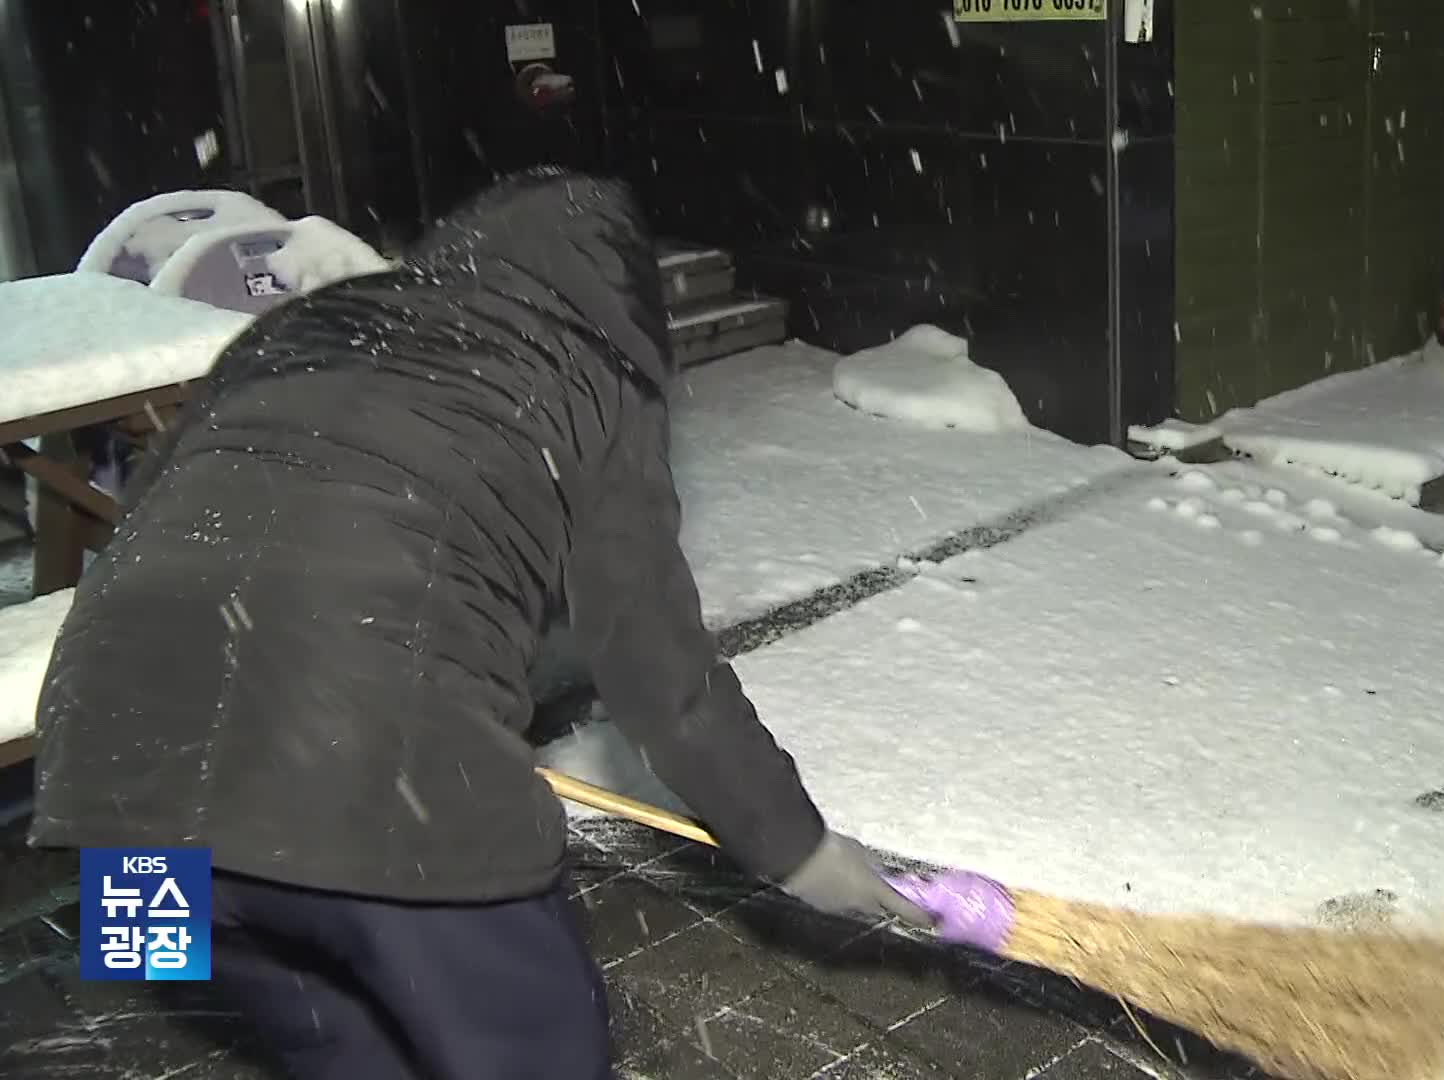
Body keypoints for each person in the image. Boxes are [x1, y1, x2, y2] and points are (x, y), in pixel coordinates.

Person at [28, 168, 932, 1080]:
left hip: (105, 779)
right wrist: (793, 846)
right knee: (535, 1055)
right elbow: (661, 671)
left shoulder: (301, 327)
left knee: (323, 1043)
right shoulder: (591, 375)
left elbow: (156, 515)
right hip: (375, 784)